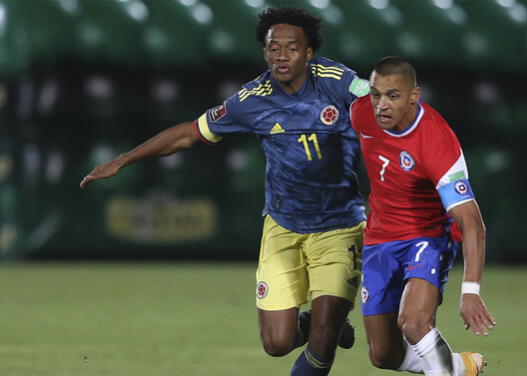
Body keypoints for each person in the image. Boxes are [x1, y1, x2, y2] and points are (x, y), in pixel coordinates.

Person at [80, 7, 372, 376]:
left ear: (309, 53)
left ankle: (326, 327)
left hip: (339, 226)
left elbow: (378, 101)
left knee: (323, 340)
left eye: (292, 48)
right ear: (265, 52)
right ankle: (321, 322)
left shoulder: (336, 80)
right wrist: (123, 160)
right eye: (273, 48)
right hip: (283, 227)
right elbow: (190, 133)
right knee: (277, 344)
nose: (281, 55)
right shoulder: (252, 99)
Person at [349, 56, 496, 376]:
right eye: (376, 95)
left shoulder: (436, 142)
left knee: (414, 322)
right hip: (379, 238)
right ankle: (458, 367)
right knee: (383, 354)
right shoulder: (362, 114)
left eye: (393, 95)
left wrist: (470, 291)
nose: (381, 105)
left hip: (426, 235)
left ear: (414, 96)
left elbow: (472, 223)